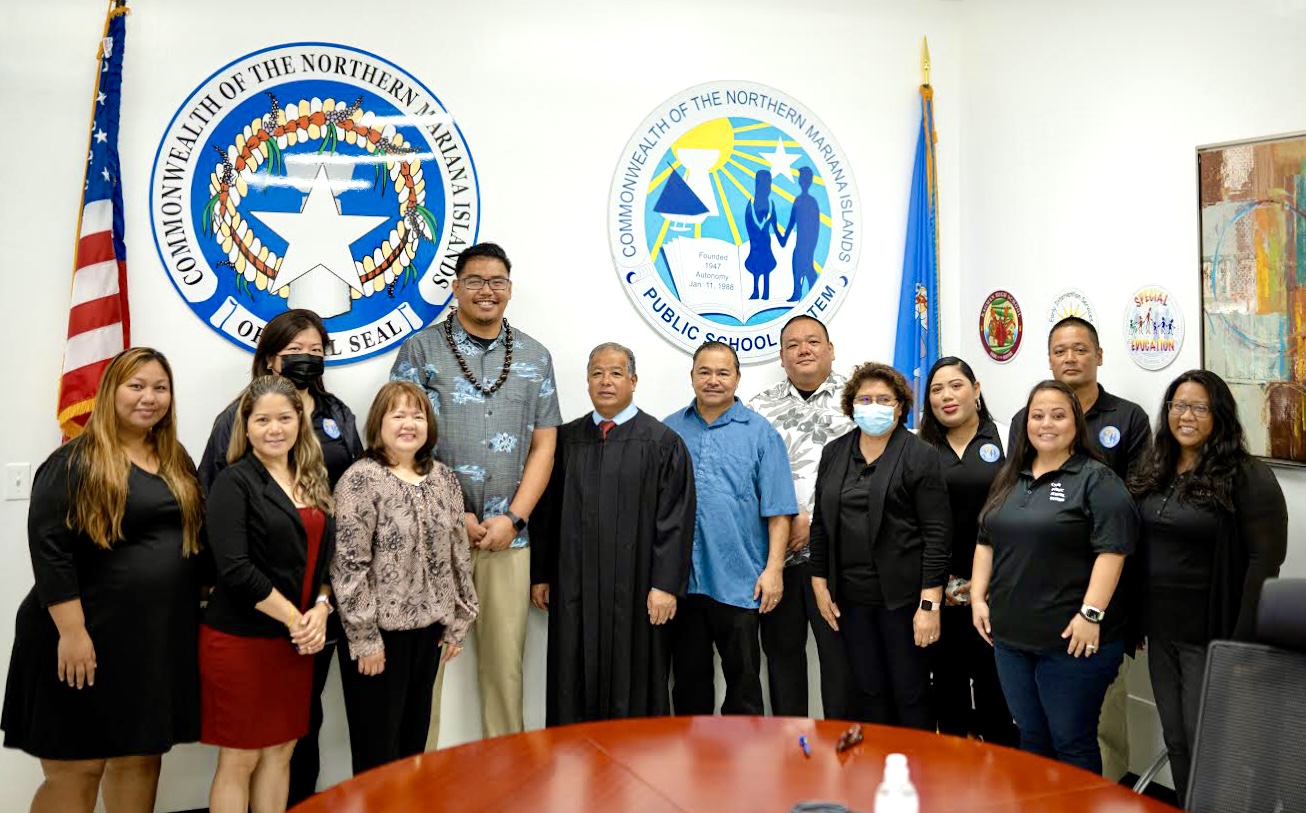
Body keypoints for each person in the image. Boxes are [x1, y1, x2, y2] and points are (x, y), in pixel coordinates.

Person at [2, 348, 203, 813]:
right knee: (79, 766)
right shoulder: (75, 460)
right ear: (110, 391)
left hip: (150, 644)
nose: (149, 398)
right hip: (82, 640)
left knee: (140, 758)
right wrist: (72, 634)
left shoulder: (175, 459)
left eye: (160, 387)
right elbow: (49, 550)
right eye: (136, 386)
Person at [390, 241, 561, 742]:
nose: (487, 291)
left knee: (505, 669)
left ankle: (507, 780)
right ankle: (414, 782)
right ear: (456, 287)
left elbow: (545, 444)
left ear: (510, 289)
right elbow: (398, 437)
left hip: (510, 538)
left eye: (497, 282)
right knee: (426, 669)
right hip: (432, 538)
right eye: (475, 281)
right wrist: (451, 513)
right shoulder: (421, 350)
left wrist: (516, 519)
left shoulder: (534, 355)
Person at [197, 308, 360, 806]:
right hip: (254, 625)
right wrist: (297, 618)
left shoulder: (322, 449)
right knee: (242, 755)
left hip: (309, 623)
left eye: (317, 351)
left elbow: (337, 525)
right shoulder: (234, 476)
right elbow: (233, 559)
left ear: (301, 427)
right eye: (296, 351)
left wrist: (322, 606)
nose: (275, 428)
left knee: (288, 744)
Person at [1130, 370, 1287, 801]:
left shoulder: (1247, 476)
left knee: (1212, 745)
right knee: (1176, 739)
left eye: (1199, 407)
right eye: (1179, 405)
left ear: (1218, 415)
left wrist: (1242, 642)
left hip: (1211, 636)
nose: (1186, 415)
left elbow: (1265, 561)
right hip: (1160, 632)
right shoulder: (1156, 467)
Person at [1007, 316, 1149, 779]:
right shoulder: (1022, 420)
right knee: (1038, 732)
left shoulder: (1127, 419)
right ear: (1049, 359)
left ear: (1100, 355)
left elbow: (1132, 510)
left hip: (1097, 604)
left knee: (1092, 728)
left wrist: (1095, 610)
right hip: (1035, 604)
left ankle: (1105, 797)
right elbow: (1013, 493)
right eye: (1060, 350)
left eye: (1080, 349)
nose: (1070, 358)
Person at [972, 380, 1137, 774]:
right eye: (1037, 415)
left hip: (1071, 642)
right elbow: (985, 541)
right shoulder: (1010, 477)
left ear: (1076, 424)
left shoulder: (1097, 479)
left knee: (1071, 741)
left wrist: (1091, 614)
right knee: (1031, 737)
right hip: (1010, 641)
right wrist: (979, 598)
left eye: (1058, 415)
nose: (1046, 424)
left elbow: (1113, 551)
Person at [530, 343, 696, 724]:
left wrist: (665, 585)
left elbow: (676, 519)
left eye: (616, 373)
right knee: (573, 672)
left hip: (637, 591)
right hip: (574, 589)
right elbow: (545, 514)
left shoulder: (662, 443)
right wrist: (541, 574)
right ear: (587, 381)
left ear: (633, 381)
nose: (606, 381)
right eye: (597, 373)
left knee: (635, 676)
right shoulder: (565, 441)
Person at [331, 381, 478, 775]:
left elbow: (458, 554)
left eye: (417, 415)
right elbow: (349, 566)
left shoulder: (444, 479)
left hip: (429, 633)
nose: (408, 424)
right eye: (397, 415)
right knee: (378, 751)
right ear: (379, 423)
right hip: (380, 639)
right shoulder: (359, 480)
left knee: (413, 744)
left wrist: (458, 622)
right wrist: (365, 639)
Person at [808, 362, 950, 731]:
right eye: (865, 398)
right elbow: (821, 523)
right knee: (867, 691)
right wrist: (819, 583)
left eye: (883, 399)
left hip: (903, 602)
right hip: (850, 600)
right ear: (851, 406)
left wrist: (929, 606)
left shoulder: (919, 455)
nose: (874, 406)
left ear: (900, 406)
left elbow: (937, 534)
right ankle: (876, 773)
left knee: (910, 692)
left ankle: (914, 776)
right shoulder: (835, 452)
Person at [663, 341, 796, 715]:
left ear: (737, 378)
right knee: (688, 684)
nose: (713, 380)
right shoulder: (668, 431)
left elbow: (779, 510)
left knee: (744, 686)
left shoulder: (760, 433)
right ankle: (694, 767)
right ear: (692, 377)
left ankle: (741, 767)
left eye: (723, 372)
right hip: (682, 584)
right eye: (704, 372)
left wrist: (774, 570)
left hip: (740, 582)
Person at [747, 315, 859, 718]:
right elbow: (749, 478)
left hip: (838, 558)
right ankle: (789, 753)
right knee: (781, 656)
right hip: (778, 559)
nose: (804, 349)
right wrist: (785, 518)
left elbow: (876, 474)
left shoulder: (859, 401)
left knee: (840, 657)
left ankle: (844, 751)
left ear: (830, 350)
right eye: (793, 344)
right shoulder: (758, 410)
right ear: (781, 356)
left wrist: (815, 519)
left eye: (813, 341)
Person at [917, 357, 1017, 746]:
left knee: (999, 698)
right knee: (948, 696)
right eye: (937, 390)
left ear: (976, 390)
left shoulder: (1009, 437)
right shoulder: (918, 447)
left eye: (956, 386)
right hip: (940, 593)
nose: (947, 396)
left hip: (998, 591)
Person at [744, 170, 779, 300]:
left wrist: (783, 238)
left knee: (766, 267)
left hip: (766, 243)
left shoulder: (770, 204)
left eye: (768, 184)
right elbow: (748, 221)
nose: (767, 187)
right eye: (764, 184)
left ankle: (766, 293)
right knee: (755, 266)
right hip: (755, 244)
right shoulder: (751, 204)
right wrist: (755, 234)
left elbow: (774, 225)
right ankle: (755, 290)